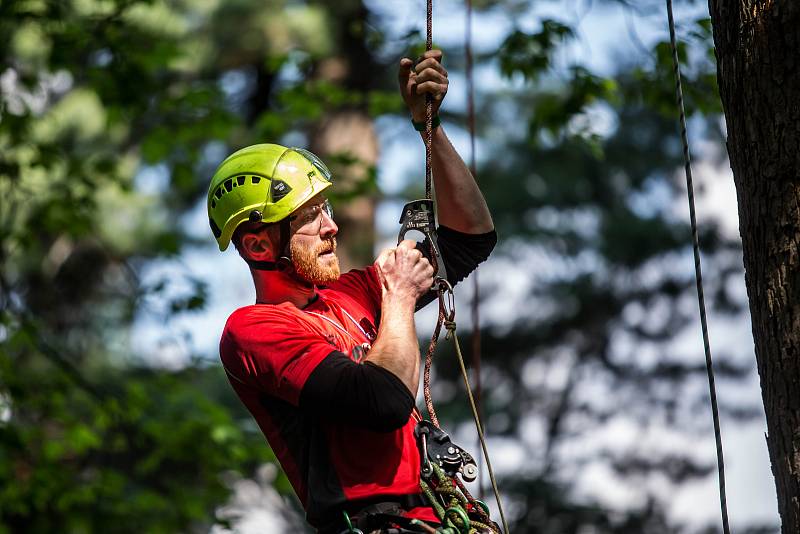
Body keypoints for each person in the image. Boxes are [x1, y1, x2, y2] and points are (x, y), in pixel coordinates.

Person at [207, 50, 496, 533]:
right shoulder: (254, 331)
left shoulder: (354, 293)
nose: (332, 227)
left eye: (328, 209)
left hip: (440, 518)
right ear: (259, 243)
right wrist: (400, 295)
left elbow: (470, 238)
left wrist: (430, 129)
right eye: (311, 217)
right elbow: (380, 402)